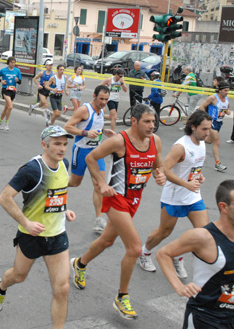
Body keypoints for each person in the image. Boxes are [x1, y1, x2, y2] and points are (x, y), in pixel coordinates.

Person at [70, 104, 166, 320]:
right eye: (147, 122)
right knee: (134, 249)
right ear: (134, 121)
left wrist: (161, 175)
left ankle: (79, 263)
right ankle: (122, 297)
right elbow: (91, 158)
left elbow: (158, 166)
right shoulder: (119, 141)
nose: (152, 126)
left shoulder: (155, 141)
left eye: (154, 121)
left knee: (106, 241)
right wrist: (102, 183)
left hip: (134, 200)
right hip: (116, 199)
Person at [157, 180, 234, 328]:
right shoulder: (203, 237)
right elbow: (164, 254)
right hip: (203, 319)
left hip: (232, 318)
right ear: (224, 207)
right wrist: (179, 286)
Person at [0, 126, 76, 329]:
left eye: (65, 144)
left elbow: (54, 193)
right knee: (19, 276)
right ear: (44, 145)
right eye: (57, 143)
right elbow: (4, 198)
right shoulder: (31, 169)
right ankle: (0, 287)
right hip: (31, 236)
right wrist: (26, 222)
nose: (62, 148)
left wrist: (63, 210)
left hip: (57, 236)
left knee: (62, 288)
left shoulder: (63, 164)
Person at [138, 110, 212, 277]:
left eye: (209, 129)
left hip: (193, 196)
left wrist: (198, 175)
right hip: (174, 197)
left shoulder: (201, 143)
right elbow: (164, 169)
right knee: (164, 232)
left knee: (204, 234)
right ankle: (144, 252)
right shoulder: (181, 147)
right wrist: (186, 183)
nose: (207, 133)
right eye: (204, 129)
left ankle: (177, 255)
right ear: (193, 127)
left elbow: (191, 168)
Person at [63, 85, 115, 233]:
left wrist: (104, 131)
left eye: (106, 99)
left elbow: (95, 129)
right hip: (81, 151)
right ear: (94, 96)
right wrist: (85, 133)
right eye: (101, 99)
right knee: (74, 182)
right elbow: (67, 126)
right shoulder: (84, 110)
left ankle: (99, 219)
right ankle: (54, 184)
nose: (104, 102)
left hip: (96, 152)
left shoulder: (101, 110)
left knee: (100, 184)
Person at [199, 81, 231, 172]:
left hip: (220, 122)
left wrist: (227, 111)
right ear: (220, 90)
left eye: (228, 90)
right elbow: (201, 107)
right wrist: (207, 118)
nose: (227, 92)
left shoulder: (227, 98)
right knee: (217, 142)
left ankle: (195, 139)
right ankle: (218, 163)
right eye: (225, 90)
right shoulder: (212, 98)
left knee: (209, 141)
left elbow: (227, 109)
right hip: (212, 122)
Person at [0, 56, 22, 131]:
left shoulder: (17, 71)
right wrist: (1, 81)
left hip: (13, 90)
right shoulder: (3, 70)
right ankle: (6, 123)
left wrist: (17, 80)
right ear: (8, 63)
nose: (13, 64)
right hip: (5, 89)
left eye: (14, 63)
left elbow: (20, 82)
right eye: (11, 62)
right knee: (10, 107)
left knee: (6, 108)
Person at [29, 60, 55, 125]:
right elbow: (34, 78)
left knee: (41, 104)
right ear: (46, 66)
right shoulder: (42, 73)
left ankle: (32, 107)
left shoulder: (53, 74)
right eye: (49, 65)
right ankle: (47, 120)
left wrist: (53, 87)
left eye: (51, 65)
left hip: (47, 90)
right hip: (42, 90)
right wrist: (38, 85)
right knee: (45, 103)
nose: (50, 66)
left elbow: (54, 83)